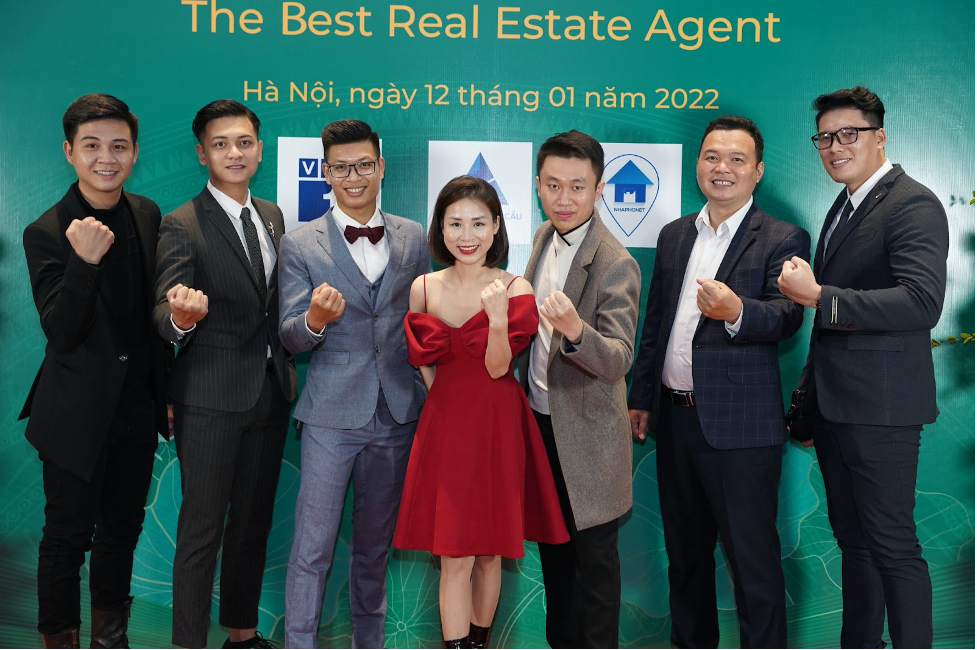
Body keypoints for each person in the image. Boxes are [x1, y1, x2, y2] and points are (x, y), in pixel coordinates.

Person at [628, 116, 810, 649]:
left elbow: (788, 316)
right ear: (698, 165)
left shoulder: (781, 236)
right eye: (712, 156)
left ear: (758, 171)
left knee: (752, 567)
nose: (722, 168)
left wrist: (736, 312)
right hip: (675, 422)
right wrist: (641, 397)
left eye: (736, 159)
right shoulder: (674, 235)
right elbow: (656, 323)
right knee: (685, 561)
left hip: (742, 431)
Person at [778, 86, 949, 649]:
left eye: (848, 134)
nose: (834, 146)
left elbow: (921, 303)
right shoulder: (844, 205)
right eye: (824, 137)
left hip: (883, 409)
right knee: (854, 543)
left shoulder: (913, 203)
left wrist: (818, 296)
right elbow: (830, 332)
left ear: (880, 136)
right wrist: (809, 404)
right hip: (835, 409)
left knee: (893, 547)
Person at [393, 175, 569, 649]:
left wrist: (495, 319)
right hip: (446, 426)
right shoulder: (423, 287)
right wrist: (442, 404)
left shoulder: (516, 287)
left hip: (497, 423)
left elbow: (497, 368)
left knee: (490, 552)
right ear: (440, 229)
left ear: (495, 227)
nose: (466, 235)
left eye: (477, 223)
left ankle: (477, 642)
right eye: (455, 224)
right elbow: (424, 364)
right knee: (453, 555)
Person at [21, 93, 170, 650]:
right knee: (66, 539)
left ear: (134, 152)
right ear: (69, 152)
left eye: (119, 146)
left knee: (121, 532)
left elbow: (150, 317)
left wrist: (163, 395)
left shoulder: (147, 213)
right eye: (92, 146)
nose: (106, 158)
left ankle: (111, 641)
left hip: (136, 407)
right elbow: (61, 332)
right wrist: (83, 261)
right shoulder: (46, 230)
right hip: (74, 413)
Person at [278, 119, 428, 649]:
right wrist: (315, 320)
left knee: (373, 548)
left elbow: (425, 320)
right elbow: (290, 335)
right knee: (312, 550)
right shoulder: (299, 243)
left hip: (397, 413)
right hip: (329, 416)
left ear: (381, 167)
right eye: (341, 168)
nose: (354, 176)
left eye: (364, 165)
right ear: (325, 173)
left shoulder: (414, 236)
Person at [153, 99, 296, 649]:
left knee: (252, 523)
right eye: (220, 144)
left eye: (244, 142)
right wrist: (181, 319)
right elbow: (164, 313)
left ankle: (242, 633)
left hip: (270, 392)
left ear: (259, 150)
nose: (234, 153)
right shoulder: (182, 223)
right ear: (201, 154)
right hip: (210, 398)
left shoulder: (273, 216)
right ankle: (188, 642)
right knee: (201, 531)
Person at [518, 130, 641, 649]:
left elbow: (618, 358)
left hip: (589, 438)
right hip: (540, 425)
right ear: (538, 186)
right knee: (555, 560)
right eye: (553, 185)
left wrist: (574, 330)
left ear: (599, 189)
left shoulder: (615, 261)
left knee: (595, 569)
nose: (564, 199)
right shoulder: (542, 236)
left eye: (577, 186)